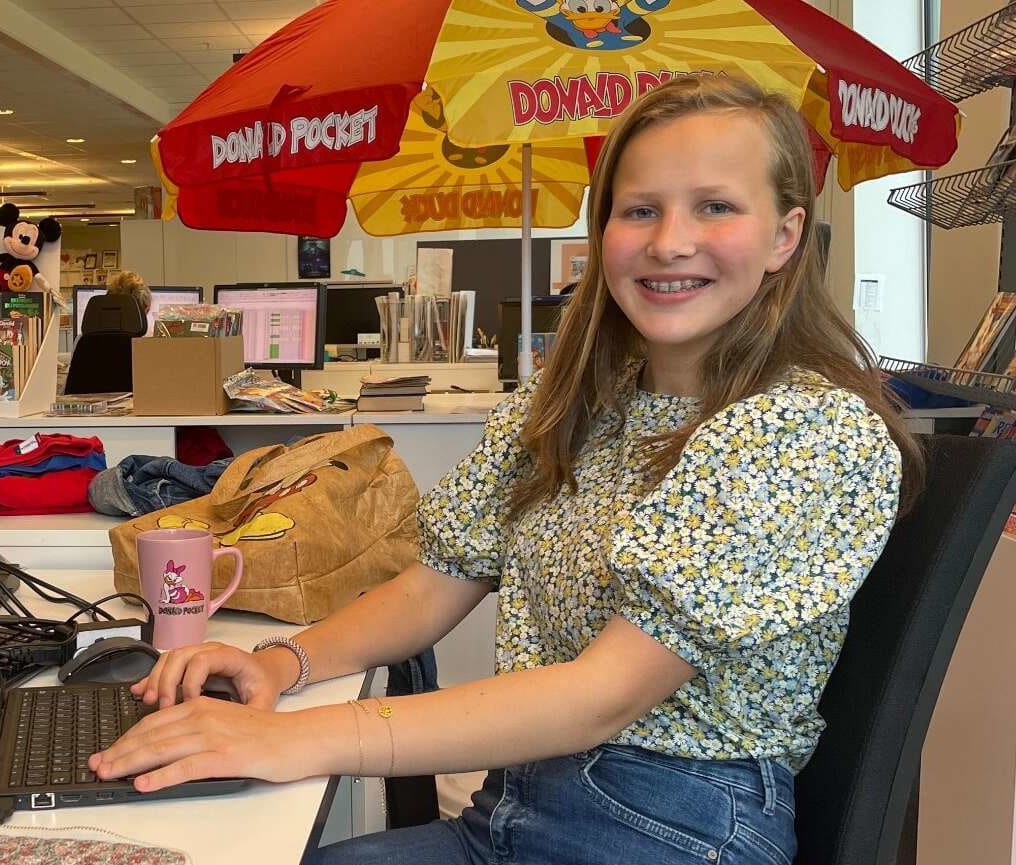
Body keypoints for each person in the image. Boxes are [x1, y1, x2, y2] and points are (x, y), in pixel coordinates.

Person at [89, 74, 923, 864]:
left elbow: (603, 695)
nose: (670, 241)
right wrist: (282, 662)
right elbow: (436, 581)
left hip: (674, 828)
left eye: (716, 206)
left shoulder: (802, 429)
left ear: (785, 235)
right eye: (639, 209)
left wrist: (292, 739)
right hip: (517, 808)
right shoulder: (574, 405)